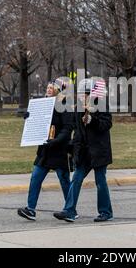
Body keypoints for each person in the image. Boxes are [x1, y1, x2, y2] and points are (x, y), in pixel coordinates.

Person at [53, 79, 114, 222]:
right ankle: (69, 210)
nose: (82, 96)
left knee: (100, 182)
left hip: (99, 151)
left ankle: (106, 212)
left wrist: (93, 120)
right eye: (80, 94)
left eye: (85, 93)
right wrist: (72, 148)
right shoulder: (78, 108)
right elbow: (77, 132)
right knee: (76, 179)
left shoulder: (101, 105)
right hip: (84, 152)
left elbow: (107, 124)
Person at [17, 80, 74, 221]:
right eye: (47, 87)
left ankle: (70, 210)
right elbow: (38, 123)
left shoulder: (64, 105)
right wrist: (29, 118)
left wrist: (56, 141)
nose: (48, 89)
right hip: (45, 150)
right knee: (35, 177)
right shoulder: (42, 104)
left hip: (60, 149)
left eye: (52, 87)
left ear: (59, 90)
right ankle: (30, 209)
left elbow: (67, 129)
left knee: (64, 180)